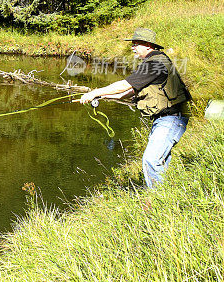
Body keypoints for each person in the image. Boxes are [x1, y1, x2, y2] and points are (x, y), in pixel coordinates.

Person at [80, 28, 191, 188]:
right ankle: (165, 193)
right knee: (159, 161)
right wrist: (103, 96)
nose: (132, 47)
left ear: (147, 45)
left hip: (172, 118)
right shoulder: (155, 61)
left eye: (135, 44)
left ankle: (158, 200)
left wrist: (95, 91)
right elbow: (130, 90)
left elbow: (125, 84)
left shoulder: (155, 64)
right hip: (166, 119)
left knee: (150, 160)